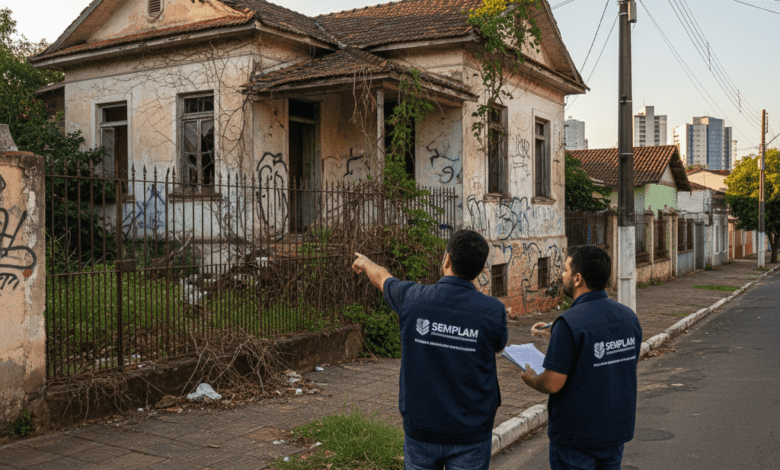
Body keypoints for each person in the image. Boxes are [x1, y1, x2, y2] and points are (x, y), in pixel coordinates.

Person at [352, 230, 508, 470]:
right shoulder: (493, 311)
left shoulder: (413, 299)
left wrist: (365, 262)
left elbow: (382, 278)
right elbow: (498, 345)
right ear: (480, 269)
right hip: (471, 432)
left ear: (447, 260)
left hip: (422, 430)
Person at [520, 245, 642, 470]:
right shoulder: (628, 318)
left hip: (577, 438)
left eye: (565, 270)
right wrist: (554, 338)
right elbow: (611, 365)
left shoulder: (569, 323)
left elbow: (552, 383)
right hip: (615, 432)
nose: (562, 275)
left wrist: (531, 379)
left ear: (577, 278)